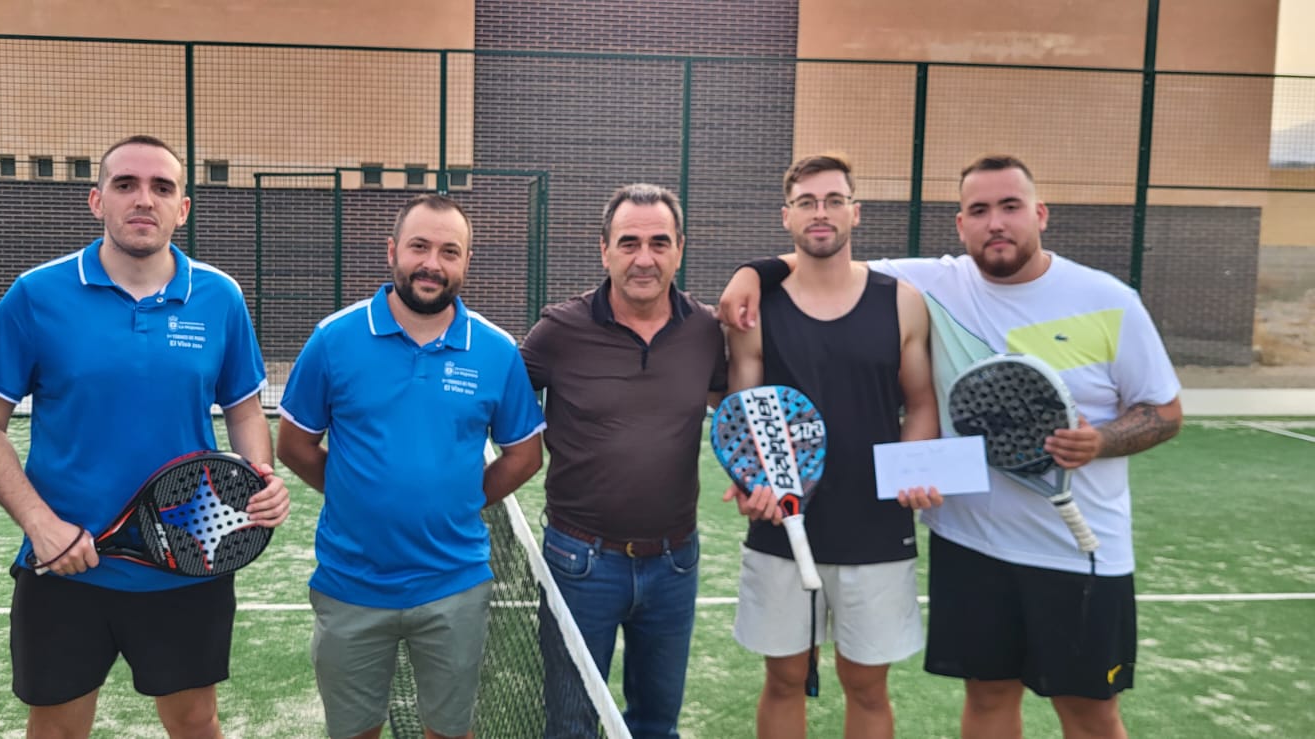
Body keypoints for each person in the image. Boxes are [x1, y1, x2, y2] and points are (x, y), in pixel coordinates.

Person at [720, 154, 1184, 739]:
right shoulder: (937, 280)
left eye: (1011, 207)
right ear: (959, 225)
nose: (996, 223)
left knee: (1089, 711)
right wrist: (749, 271)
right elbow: (817, 256)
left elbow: (1165, 413)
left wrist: (1099, 441)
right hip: (972, 547)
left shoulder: (1105, 298)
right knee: (987, 700)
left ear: (1040, 214)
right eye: (979, 210)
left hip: (1075, 553)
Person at [0, 134, 291, 739]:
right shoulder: (36, 295)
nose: (144, 200)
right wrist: (41, 525)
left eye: (162, 188)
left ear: (182, 208)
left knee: (195, 723)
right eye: (126, 185)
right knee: (56, 729)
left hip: (189, 559)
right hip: (64, 569)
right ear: (97, 200)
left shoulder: (219, 296)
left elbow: (245, 411)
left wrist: (261, 476)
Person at [276, 194, 545, 739]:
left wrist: (467, 499)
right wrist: (354, 495)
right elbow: (295, 444)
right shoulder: (334, 339)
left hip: (455, 584)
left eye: (451, 251)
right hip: (350, 583)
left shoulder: (494, 350)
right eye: (420, 246)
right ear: (393, 250)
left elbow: (525, 455)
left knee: (449, 732)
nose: (433, 264)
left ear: (466, 262)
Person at [723, 154, 940, 739]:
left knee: (867, 687)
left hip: (876, 526)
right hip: (783, 525)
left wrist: (913, 470)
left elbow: (921, 403)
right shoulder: (755, 310)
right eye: (807, 203)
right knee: (785, 679)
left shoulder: (902, 300)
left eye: (834, 200)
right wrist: (753, 486)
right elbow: (745, 420)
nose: (821, 213)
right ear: (787, 217)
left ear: (855, 212)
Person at [519, 183, 725, 739]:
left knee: (658, 725)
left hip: (676, 564)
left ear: (680, 247)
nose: (644, 259)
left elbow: (740, 407)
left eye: (659, 242)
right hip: (579, 563)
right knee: (572, 725)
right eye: (629, 242)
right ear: (603, 249)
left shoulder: (707, 331)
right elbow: (492, 401)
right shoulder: (559, 331)